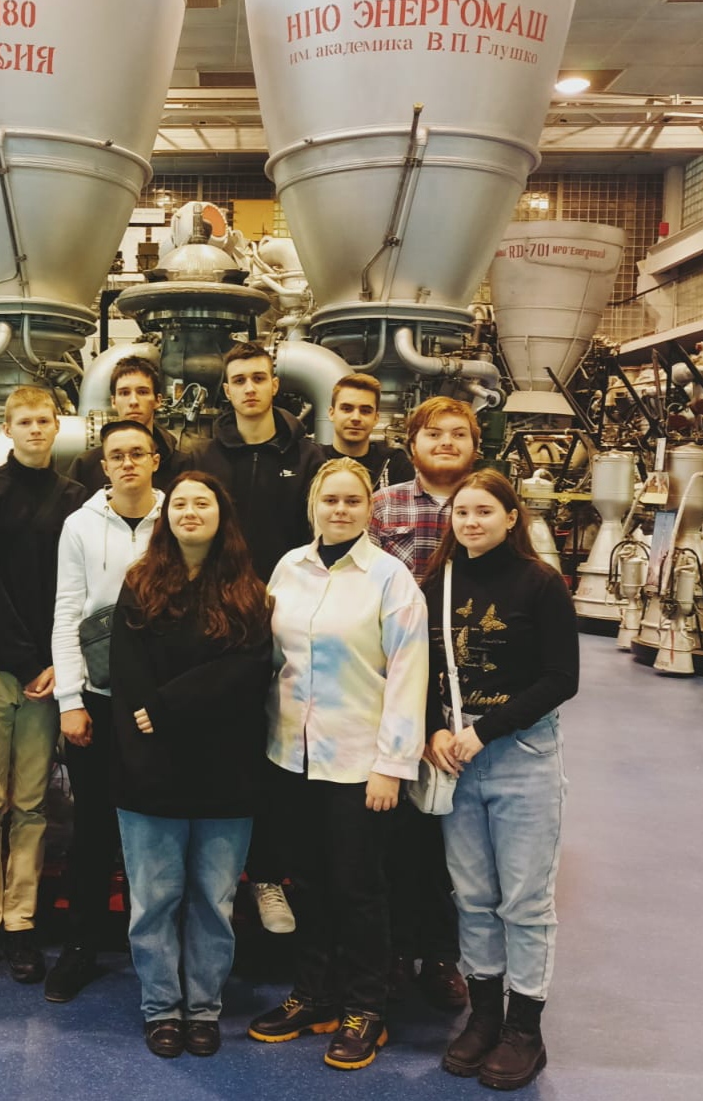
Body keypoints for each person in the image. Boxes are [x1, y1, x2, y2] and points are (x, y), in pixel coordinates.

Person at [246, 458, 429, 1071]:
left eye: (353, 500)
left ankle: (365, 1008)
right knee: (307, 882)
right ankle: (314, 994)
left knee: (359, 888)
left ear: (369, 508)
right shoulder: (289, 568)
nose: (341, 510)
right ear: (313, 506)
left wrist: (392, 765)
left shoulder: (390, 579)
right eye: (331, 500)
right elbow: (272, 660)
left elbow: (408, 674)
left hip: (358, 762)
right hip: (290, 754)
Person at [421, 470, 577, 1091]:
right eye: (462, 512)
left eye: (485, 511)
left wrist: (486, 731)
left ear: (512, 518)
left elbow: (561, 677)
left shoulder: (541, 584)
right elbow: (420, 668)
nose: (471, 522)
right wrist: (432, 730)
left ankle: (524, 1028)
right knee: (473, 895)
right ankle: (484, 1015)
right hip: (455, 759)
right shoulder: (437, 583)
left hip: (522, 754)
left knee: (526, 900)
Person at [111, 472, 273, 1059]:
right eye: (179, 503)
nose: (190, 512)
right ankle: (162, 1008)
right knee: (153, 901)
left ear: (221, 515)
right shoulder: (140, 584)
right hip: (151, 770)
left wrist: (166, 706)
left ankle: (203, 1008)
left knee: (213, 901)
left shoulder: (249, 591)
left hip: (227, 773)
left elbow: (247, 672)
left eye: (202, 503)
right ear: (167, 516)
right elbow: (127, 675)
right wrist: (150, 722)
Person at [0, 385, 89, 986]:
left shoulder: (77, 500)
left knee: (32, 805)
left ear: (58, 427)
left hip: (48, 675)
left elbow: (78, 591)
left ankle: (21, 924)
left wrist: (57, 664)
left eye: (44, 420)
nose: (36, 429)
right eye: (25, 420)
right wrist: (27, 660)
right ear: (7, 429)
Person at [194, 339, 325, 935]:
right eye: (238, 379)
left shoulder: (309, 456)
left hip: (288, 627)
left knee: (279, 754)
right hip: (217, 626)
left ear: (275, 384)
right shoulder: (202, 457)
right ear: (226, 390)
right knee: (222, 751)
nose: (249, 388)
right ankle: (215, 880)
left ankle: (269, 876)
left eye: (258, 377)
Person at [46, 420, 165, 1003]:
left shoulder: (178, 515)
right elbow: (67, 612)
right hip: (99, 697)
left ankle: (158, 953)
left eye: (137, 453)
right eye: (117, 455)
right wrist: (71, 700)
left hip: (160, 704)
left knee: (155, 831)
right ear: (104, 465)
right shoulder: (80, 525)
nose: (127, 463)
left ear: (155, 459)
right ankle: (81, 945)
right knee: (92, 831)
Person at [369, 396, 481, 1010]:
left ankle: (440, 955)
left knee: (450, 834)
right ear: (411, 445)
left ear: (475, 446)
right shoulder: (383, 507)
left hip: (468, 685)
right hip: (391, 677)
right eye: (433, 433)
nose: (446, 442)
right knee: (391, 829)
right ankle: (389, 951)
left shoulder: (490, 504)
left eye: (458, 434)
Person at [68, 355, 203, 494]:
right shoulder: (87, 466)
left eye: (142, 392)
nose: (133, 401)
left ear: (158, 400)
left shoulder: (182, 466)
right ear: (113, 401)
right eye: (124, 393)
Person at [323, 373, 413, 491]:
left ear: (376, 418)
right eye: (347, 409)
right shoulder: (312, 461)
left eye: (365, 411)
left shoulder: (395, 464)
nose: (356, 418)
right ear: (332, 413)